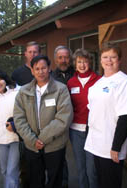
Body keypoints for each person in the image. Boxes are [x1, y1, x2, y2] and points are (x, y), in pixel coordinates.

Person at [13, 55, 73, 188]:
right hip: (32, 146)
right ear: (32, 71)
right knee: (35, 180)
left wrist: (42, 138)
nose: (41, 72)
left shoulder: (60, 89)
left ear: (49, 69)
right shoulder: (23, 92)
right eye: (37, 69)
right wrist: (32, 140)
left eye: (44, 68)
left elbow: (64, 118)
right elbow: (19, 118)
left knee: (55, 181)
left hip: (54, 145)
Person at [84, 44, 127, 188]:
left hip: (110, 145)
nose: (109, 60)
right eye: (105, 57)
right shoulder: (98, 83)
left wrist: (116, 147)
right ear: (100, 60)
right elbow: (92, 112)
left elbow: (126, 117)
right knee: (101, 181)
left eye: (113, 57)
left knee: (111, 183)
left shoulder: (124, 82)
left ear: (119, 60)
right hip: (95, 143)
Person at [67, 49, 100, 188]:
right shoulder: (71, 82)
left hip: (94, 129)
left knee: (91, 169)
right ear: (75, 64)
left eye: (85, 61)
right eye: (79, 61)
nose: (82, 65)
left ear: (90, 63)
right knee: (80, 168)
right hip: (76, 131)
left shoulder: (98, 80)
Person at [11, 41, 40, 188]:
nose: (33, 54)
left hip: (42, 124)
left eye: (35, 52)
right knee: (25, 163)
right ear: (25, 54)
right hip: (25, 126)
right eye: (30, 52)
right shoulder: (17, 74)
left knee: (42, 163)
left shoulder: (45, 71)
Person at [0, 69, 20, 188]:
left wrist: (16, 125)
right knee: (4, 170)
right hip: (0, 138)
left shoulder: (16, 92)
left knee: (12, 170)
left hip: (15, 137)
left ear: (5, 79)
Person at [52, 45, 75, 188]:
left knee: (83, 154)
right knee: (59, 154)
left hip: (78, 122)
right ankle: (63, 182)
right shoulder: (50, 77)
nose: (63, 60)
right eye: (60, 57)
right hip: (58, 121)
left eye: (66, 57)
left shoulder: (78, 74)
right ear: (55, 60)